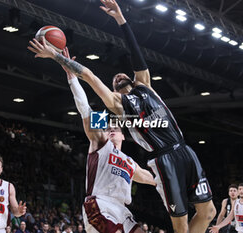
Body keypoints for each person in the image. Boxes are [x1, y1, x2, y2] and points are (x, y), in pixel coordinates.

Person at [27, 1, 216, 232]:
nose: (117, 76)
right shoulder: (117, 110)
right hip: (158, 162)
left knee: (209, 213)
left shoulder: (145, 86)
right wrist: (60, 60)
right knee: (181, 225)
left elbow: (137, 55)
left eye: (121, 75)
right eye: (114, 81)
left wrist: (121, 20)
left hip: (184, 150)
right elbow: (88, 91)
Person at [57, 47, 156, 233]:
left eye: (115, 128)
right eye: (108, 127)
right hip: (99, 203)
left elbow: (151, 178)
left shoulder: (129, 162)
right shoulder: (101, 143)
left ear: (123, 136)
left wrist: (178, 180)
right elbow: (85, 109)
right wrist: (72, 78)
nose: (110, 129)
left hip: (122, 209)